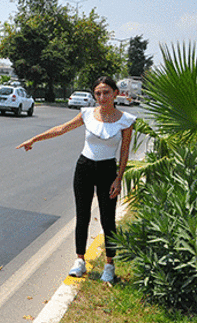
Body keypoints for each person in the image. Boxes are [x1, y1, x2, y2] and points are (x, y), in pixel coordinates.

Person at [16, 76, 136, 283]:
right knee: (82, 215)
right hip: (85, 167)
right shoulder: (87, 114)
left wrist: (119, 178)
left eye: (106, 92)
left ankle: (109, 264)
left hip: (108, 170)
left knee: (108, 219)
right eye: (98, 93)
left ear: (115, 93)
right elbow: (62, 129)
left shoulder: (126, 120)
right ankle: (79, 260)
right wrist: (35, 139)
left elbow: (124, 152)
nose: (102, 97)